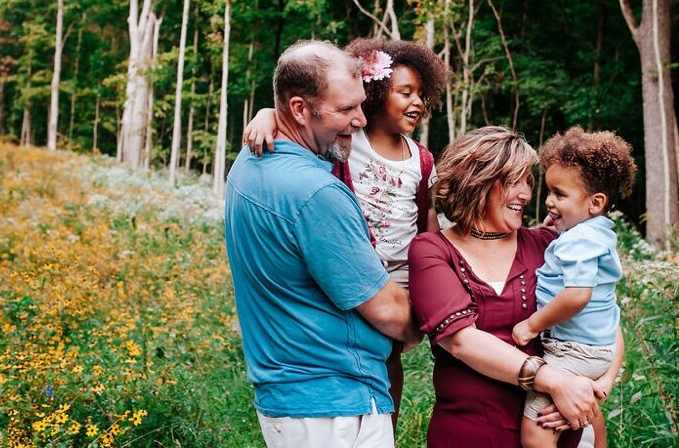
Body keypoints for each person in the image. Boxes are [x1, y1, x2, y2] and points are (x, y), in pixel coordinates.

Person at [243, 38, 451, 425]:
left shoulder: (421, 158)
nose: (417, 102)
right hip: (355, 258)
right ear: (374, 94)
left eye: (422, 94)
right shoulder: (348, 139)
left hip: (404, 270)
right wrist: (267, 113)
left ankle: (384, 419)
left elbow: (428, 218)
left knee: (388, 355)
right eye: (405, 92)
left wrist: (435, 271)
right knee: (366, 334)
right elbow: (301, 116)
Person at [408, 126, 603, 448]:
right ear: (476, 181)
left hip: (552, 427)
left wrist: (593, 390)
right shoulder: (431, 250)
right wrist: (554, 381)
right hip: (469, 433)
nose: (526, 194)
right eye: (514, 181)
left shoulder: (547, 245)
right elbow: (461, 341)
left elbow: (603, 314)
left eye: (528, 180)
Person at [511, 127, 635, 448]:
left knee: (536, 428)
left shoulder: (578, 241)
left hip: (572, 350)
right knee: (585, 409)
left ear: (595, 202)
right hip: (598, 349)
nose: (550, 201)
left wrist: (531, 325)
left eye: (560, 195)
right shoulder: (598, 233)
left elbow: (578, 295)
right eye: (549, 191)